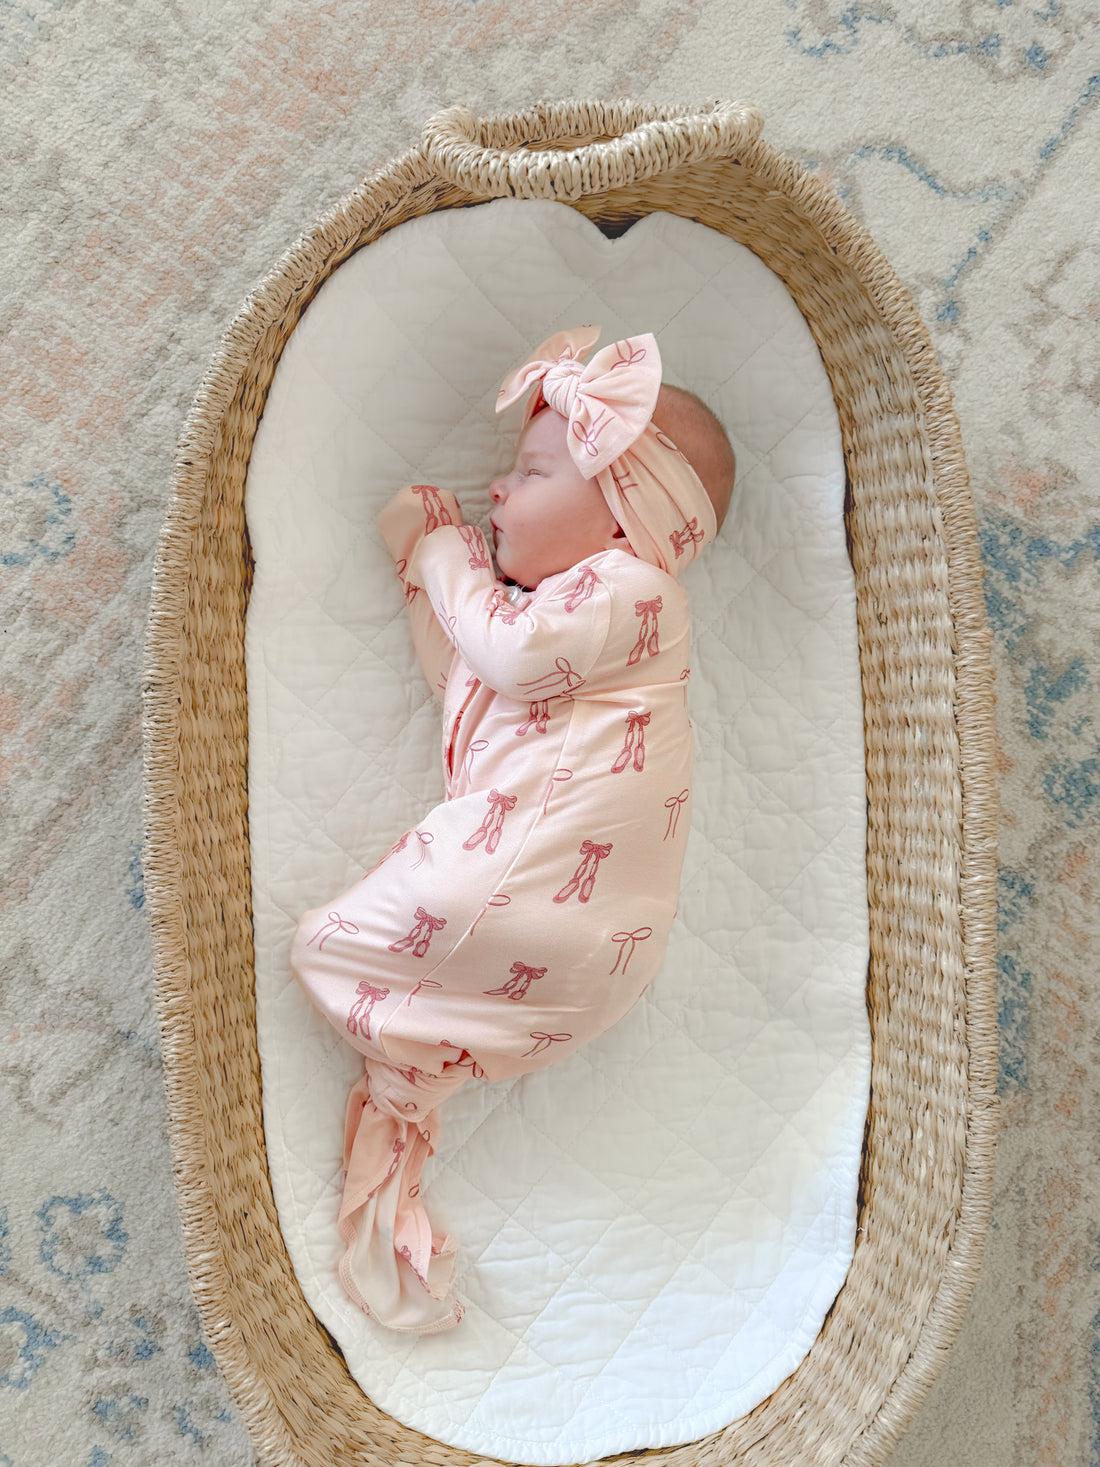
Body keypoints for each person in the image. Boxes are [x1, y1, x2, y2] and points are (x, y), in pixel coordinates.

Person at [290, 326, 735, 1333]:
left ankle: (405, 1072)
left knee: (318, 947)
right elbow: (459, 680)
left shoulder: (631, 592)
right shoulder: (573, 625)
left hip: (519, 890)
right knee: (351, 955)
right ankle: (409, 1088)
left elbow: (497, 650)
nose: (499, 488)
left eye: (531, 470)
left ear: (627, 517)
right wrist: (421, 569)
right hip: (596, 965)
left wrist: (443, 553)